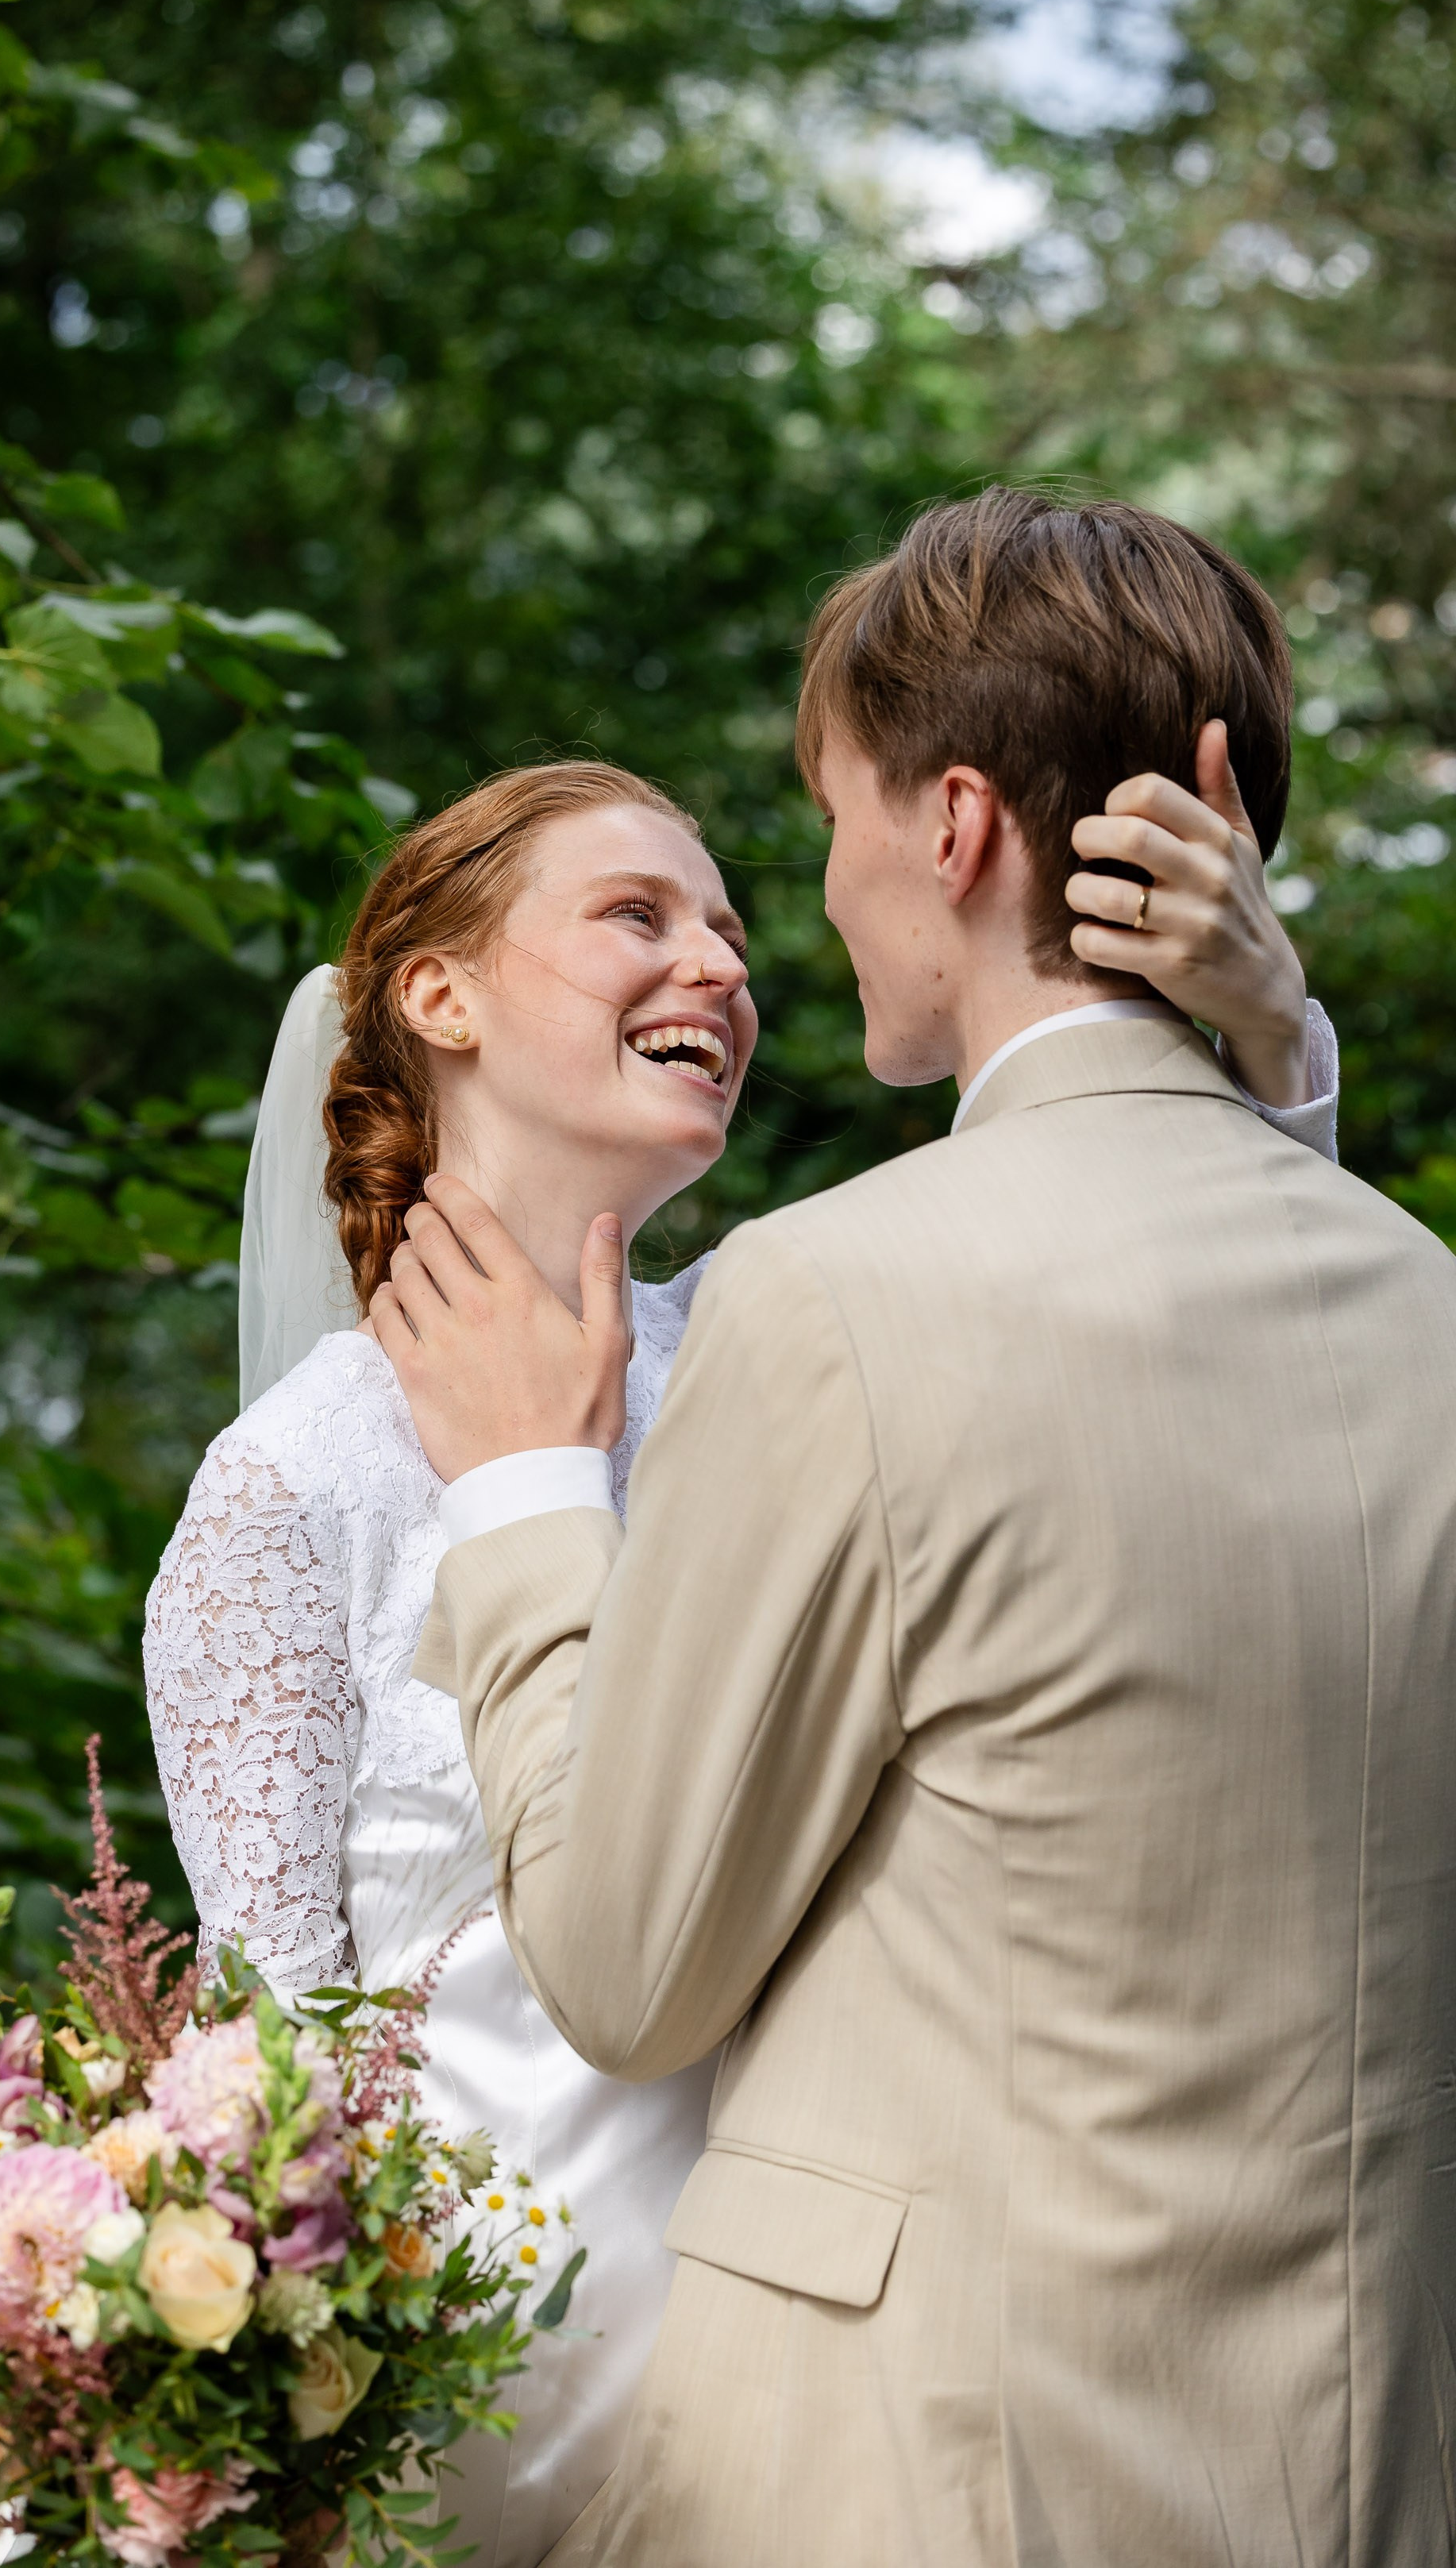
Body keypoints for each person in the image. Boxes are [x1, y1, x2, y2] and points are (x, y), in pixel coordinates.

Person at [372, 492, 1456, 2566]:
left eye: (835, 824)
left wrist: (521, 1490)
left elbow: (621, 1966)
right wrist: (1278, 1060)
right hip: (1366, 2475)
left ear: (953, 827)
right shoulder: (1427, 1307)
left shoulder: (833, 1296)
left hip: (913, 2491)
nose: (824, 895)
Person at [145, 706, 1339, 2562]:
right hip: (458, 2398)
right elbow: (259, 2048)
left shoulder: (815, 1343)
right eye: (639, 916)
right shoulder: (293, 1485)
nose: (719, 962)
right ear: (441, 1002)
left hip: (832, 2379)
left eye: (731, 932)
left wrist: (1277, 1057)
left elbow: (1158, 1344)